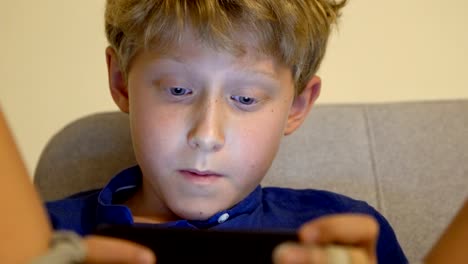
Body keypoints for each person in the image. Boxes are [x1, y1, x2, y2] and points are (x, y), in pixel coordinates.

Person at [14, 0, 415, 263]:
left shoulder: (346, 236)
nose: (207, 135)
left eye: (245, 99)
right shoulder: (39, 237)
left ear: (297, 106)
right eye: (177, 90)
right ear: (121, 82)